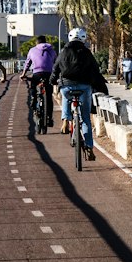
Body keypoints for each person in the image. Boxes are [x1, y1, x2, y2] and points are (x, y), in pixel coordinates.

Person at [50, 27, 108, 161]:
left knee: (65, 96)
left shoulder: (63, 51)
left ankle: (66, 119)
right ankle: (89, 146)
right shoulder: (87, 52)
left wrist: (52, 81)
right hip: (84, 86)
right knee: (86, 118)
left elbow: (55, 68)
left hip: (66, 85)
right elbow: (95, 69)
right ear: (84, 39)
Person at [20, 34, 57, 127]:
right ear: (46, 42)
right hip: (49, 74)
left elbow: (27, 63)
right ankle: (49, 118)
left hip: (37, 73)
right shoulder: (52, 50)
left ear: (37, 42)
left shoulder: (32, 50)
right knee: (49, 97)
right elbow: (56, 63)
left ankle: (33, 98)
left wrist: (23, 74)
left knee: (33, 86)